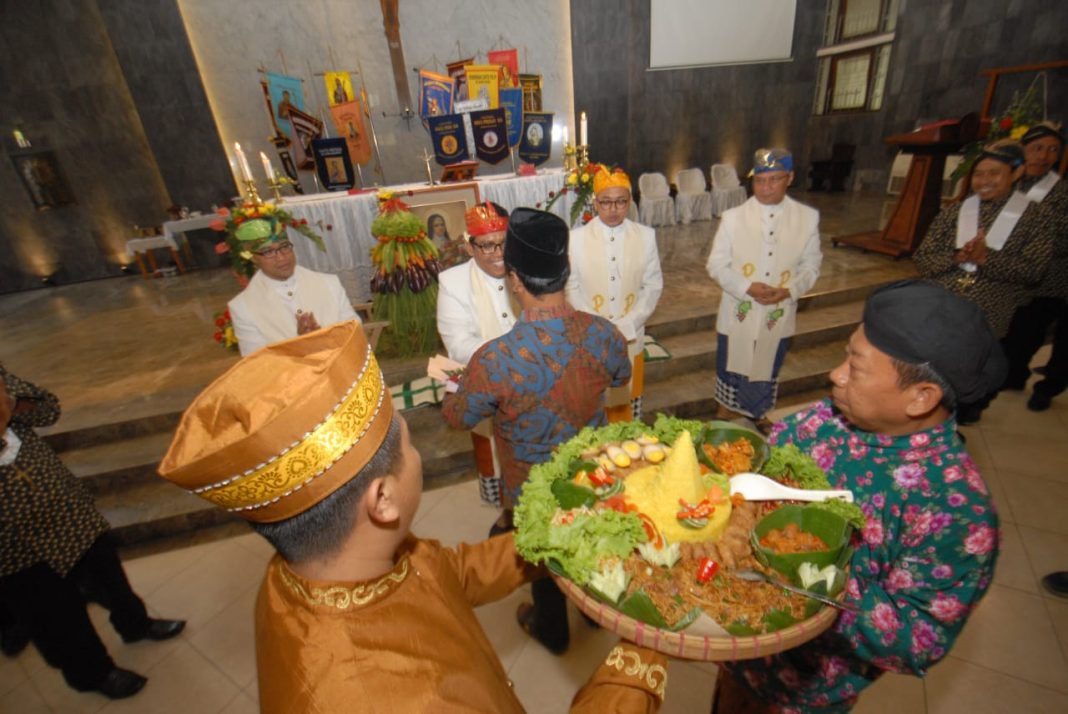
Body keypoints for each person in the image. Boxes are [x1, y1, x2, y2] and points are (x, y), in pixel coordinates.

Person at [158, 321, 667, 712]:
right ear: (382, 501)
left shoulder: (309, 570)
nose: (417, 455)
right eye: (408, 443)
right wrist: (644, 654)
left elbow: (453, 573)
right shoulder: (391, 698)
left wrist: (574, 532)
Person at [714, 280, 1004, 713]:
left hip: (804, 695)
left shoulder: (954, 508)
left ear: (921, 397)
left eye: (857, 366)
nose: (836, 374)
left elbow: (918, 640)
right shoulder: (829, 418)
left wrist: (803, 573)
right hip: (739, 652)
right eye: (847, 354)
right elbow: (766, 464)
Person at [442, 208, 632, 655]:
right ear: (565, 273)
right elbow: (621, 378)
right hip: (592, 474)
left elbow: (459, 418)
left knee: (544, 550)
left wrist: (451, 390)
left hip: (532, 488)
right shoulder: (605, 335)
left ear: (514, 279)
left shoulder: (495, 359)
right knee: (589, 535)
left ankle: (553, 629)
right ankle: (592, 610)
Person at [0, 367, 185, 699]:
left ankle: (135, 624)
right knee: (52, 610)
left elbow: (48, 410)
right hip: (14, 539)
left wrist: (11, 403)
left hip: (65, 506)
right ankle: (93, 673)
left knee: (108, 574)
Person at [914, 138, 1054, 422]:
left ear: (1016, 174)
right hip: (944, 305)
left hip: (992, 312)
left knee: (971, 373)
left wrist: (986, 259)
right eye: (979, 174)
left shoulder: (1036, 217)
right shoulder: (955, 212)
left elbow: (1033, 270)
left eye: (994, 174)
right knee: (933, 369)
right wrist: (956, 256)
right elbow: (923, 257)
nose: (984, 181)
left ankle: (963, 414)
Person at [706, 148, 822, 431]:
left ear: (790, 178)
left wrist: (789, 289)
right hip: (739, 308)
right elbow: (716, 264)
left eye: (774, 180)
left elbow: (812, 266)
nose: (766, 187)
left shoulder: (807, 218)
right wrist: (746, 287)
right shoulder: (733, 217)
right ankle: (723, 412)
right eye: (760, 181)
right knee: (731, 364)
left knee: (768, 363)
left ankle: (758, 414)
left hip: (778, 310)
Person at [436, 203, 517, 523]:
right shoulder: (452, 282)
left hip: (531, 381)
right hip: (483, 380)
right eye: (487, 245)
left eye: (504, 242)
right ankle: (507, 515)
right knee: (494, 451)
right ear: (470, 246)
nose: (498, 252)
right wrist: (518, 354)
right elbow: (457, 343)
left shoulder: (524, 266)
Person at [567, 166, 663, 422]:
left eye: (620, 202)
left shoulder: (645, 236)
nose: (613, 209)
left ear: (630, 201)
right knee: (594, 400)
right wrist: (596, 325)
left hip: (631, 334)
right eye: (606, 202)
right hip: (590, 336)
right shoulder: (575, 239)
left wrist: (630, 322)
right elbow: (570, 286)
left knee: (628, 401)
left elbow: (652, 285)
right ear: (594, 202)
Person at [999, 122, 1068, 411]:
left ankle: (1049, 386)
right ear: (1023, 150)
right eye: (1037, 148)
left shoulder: (1060, 191)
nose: (1044, 156)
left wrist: (1032, 243)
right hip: (1015, 275)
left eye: (1052, 150)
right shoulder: (1008, 181)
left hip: (1052, 276)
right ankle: (1014, 375)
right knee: (1020, 333)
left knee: (1053, 334)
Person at [227, 211, 359, 356]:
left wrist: (322, 338)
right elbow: (258, 362)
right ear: (253, 258)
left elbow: (354, 329)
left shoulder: (329, 283)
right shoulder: (242, 307)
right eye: (268, 252)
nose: (282, 257)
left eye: (284, 247)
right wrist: (300, 344)